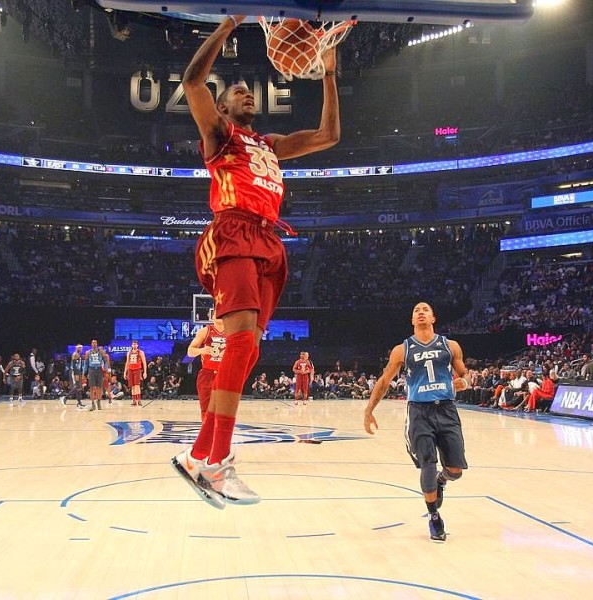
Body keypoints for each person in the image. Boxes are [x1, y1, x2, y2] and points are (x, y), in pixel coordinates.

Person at [172, 13, 342, 508]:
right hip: (232, 231)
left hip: (269, 242)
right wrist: (227, 26)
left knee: (246, 350)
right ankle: (218, 464)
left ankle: (199, 455)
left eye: (251, 93)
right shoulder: (220, 137)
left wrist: (328, 71)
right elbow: (191, 81)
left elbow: (329, 135)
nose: (247, 95)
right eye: (238, 93)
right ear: (223, 108)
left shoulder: (269, 145)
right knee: (241, 337)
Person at [363, 302, 470, 542]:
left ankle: (442, 481)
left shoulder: (450, 346)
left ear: (434, 318)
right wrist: (369, 410)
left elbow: (464, 375)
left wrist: (466, 382)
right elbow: (384, 381)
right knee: (428, 465)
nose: (420, 312)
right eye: (416, 311)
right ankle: (434, 518)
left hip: (447, 410)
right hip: (419, 413)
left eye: (425, 310)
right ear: (412, 320)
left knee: (456, 470)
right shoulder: (402, 349)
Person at [187, 314, 226, 421]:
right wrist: (201, 350)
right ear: (210, 316)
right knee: (206, 410)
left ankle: (220, 434)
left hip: (225, 374)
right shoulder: (205, 331)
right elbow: (190, 352)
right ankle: (207, 433)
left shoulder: (232, 332)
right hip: (207, 373)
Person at [84, 339, 110, 411]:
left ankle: (98, 402)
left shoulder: (101, 352)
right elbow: (85, 364)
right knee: (92, 388)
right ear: (91, 344)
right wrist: (84, 373)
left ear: (97, 344)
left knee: (100, 387)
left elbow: (105, 362)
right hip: (91, 369)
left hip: (99, 369)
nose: (94, 344)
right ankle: (93, 404)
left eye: (95, 343)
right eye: (93, 343)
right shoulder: (88, 352)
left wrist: (106, 371)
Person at [123, 340, 148, 406]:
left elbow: (144, 362)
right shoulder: (129, 352)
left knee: (137, 385)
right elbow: (127, 362)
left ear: (137, 345)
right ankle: (134, 400)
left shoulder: (141, 352)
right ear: (131, 345)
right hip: (130, 369)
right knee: (132, 386)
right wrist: (125, 372)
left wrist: (145, 372)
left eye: (135, 344)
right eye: (133, 344)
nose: (134, 345)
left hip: (137, 369)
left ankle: (139, 400)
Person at [68, 344, 86, 409]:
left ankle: (79, 403)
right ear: (77, 348)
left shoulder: (78, 354)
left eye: (81, 348)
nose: (81, 349)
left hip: (78, 371)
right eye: (80, 348)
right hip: (74, 371)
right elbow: (74, 365)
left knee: (79, 387)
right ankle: (65, 397)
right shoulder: (75, 354)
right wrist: (76, 374)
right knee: (77, 387)